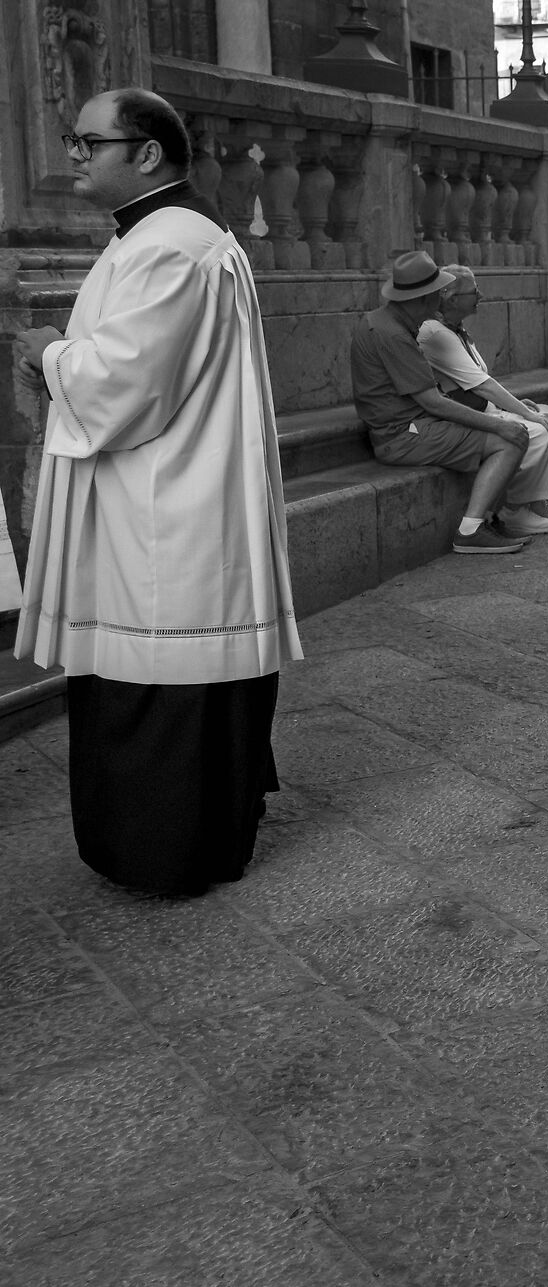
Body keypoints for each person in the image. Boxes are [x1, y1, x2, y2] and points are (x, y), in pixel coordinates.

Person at [12, 87, 302, 893]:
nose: (73, 155)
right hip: (167, 496)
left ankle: (171, 849)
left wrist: (47, 354)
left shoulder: (171, 244)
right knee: (161, 679)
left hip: (165, 507)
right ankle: (191, 829)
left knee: (163, 675)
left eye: (88, 142)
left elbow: (127, 384)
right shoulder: (156, 234)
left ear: (146, 153)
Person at [352, 252, 548, 554]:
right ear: (421, 298)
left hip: (411, 425)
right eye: (436, 293)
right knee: (512, 440)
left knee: (510, 431)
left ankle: (487, 517)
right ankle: (470, 530)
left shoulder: (385, 322)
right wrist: (500, 426)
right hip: (403, 434)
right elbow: (433, 403)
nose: (440, 300)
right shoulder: (392, 333)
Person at [416, 265, 548, 526]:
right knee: (537, 430)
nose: (480, 295)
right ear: (451, 297)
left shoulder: (455, 329)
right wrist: (524, 414)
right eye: (474, 291)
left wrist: (519, 405)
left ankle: (537, 502)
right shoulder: (435, 332)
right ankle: (515, 509)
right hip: (468, 418)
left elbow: (481, 381)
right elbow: (482, 385)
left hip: (485, 409)